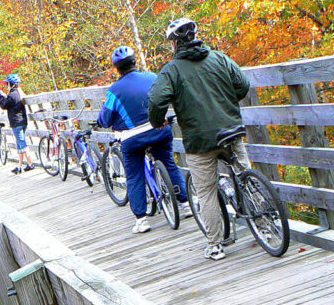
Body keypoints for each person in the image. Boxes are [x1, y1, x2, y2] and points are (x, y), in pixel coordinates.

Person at [148, 17, 251, 261]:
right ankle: (264, 217)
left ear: (174, 44)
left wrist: (157, 121)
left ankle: (215, 245)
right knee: (245, 175)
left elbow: (156, 101)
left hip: (200, 141)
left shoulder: (171, 70)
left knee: (205, 191)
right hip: (231, 129)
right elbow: (243, 85)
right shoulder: (219, 58)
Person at [97, 45, 189, 234]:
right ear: (134, 62)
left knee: (134, 175)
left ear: (117, 68)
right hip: (159, 129)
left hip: (132, 138)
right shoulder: (151, 77)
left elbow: (105, 119)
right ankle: (186, 203)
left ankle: (141, 219)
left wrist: (102, 120)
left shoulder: (114, 91)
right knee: (169, 163)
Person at [0, 72, 34, 174]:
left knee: (22, 144)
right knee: (19, 145)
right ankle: (19, 167)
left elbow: (4, 105)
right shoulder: (18, 93)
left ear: (10, 84)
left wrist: (1, 96)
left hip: (16, 123)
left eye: (7, 83)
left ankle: (31, 164)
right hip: (22, 121)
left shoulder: (12, 94)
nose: (6, 85)